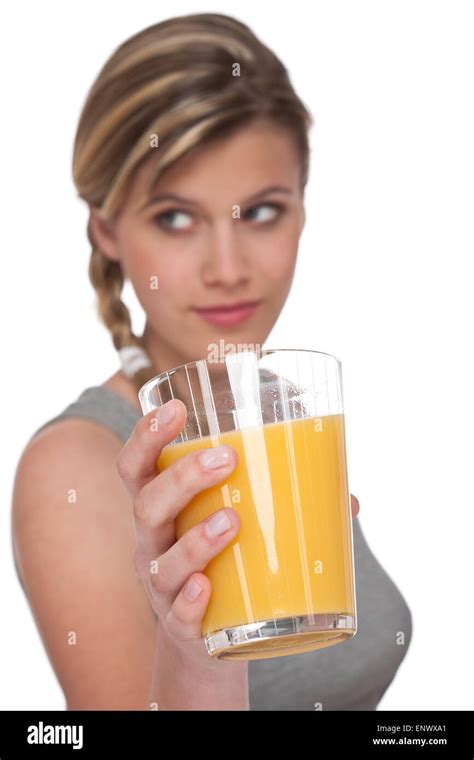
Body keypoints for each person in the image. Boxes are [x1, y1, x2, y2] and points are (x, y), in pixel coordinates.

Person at [11, 12, 412, 710]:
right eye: (174, 217)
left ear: (303, 208)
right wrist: (198, 652)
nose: (228, 269)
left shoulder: (279, 406)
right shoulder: (73, 468)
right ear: (106, 229)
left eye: (260, 212)